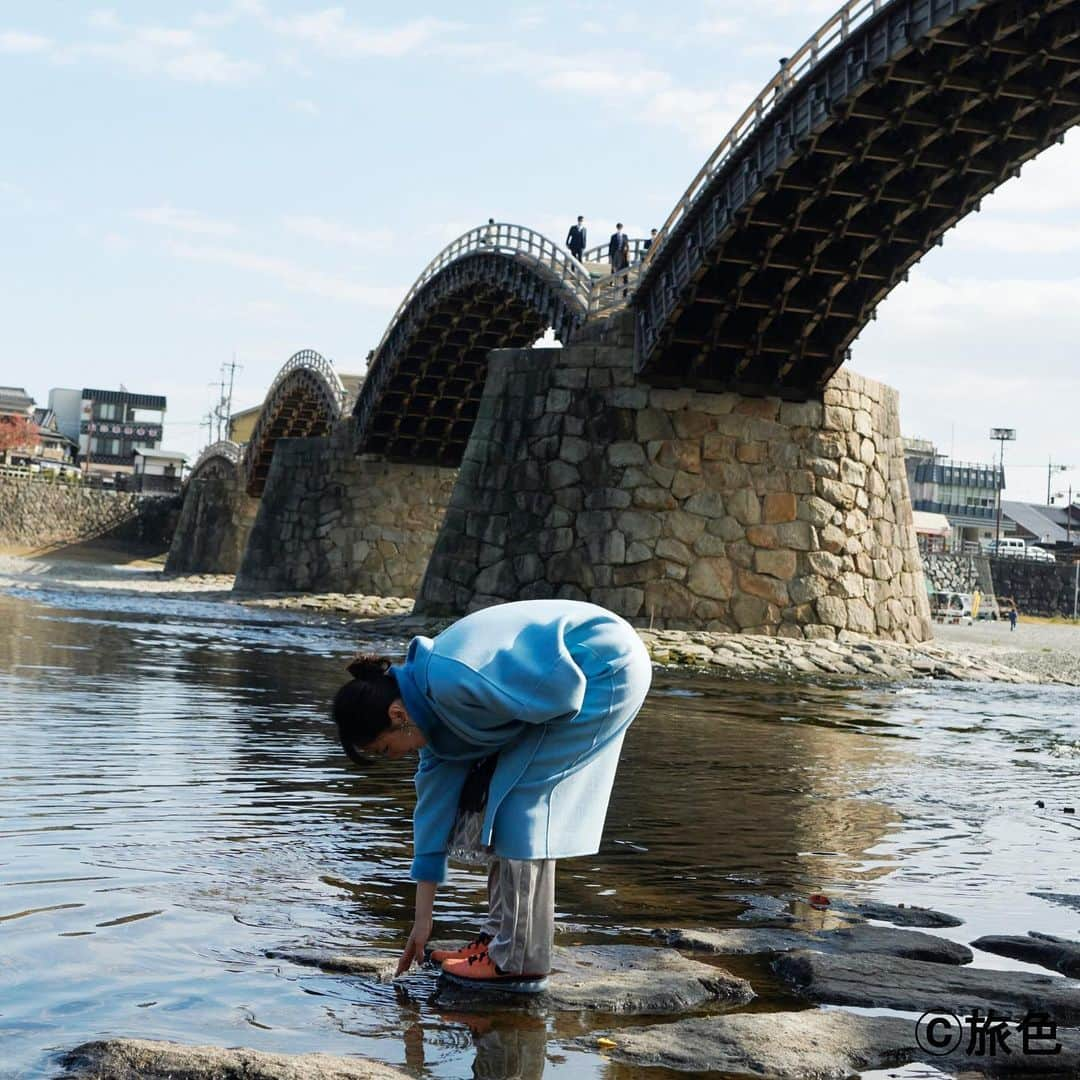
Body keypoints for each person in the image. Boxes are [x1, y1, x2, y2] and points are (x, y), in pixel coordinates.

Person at [332, 600, 652, 992]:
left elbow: (563, 691)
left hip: (603, 665)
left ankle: (517, 958)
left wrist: (503, 752)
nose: (394, 757)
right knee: (505, 798)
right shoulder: (431, 730)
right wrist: (421, 923)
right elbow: (430, 822)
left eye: (384, 749)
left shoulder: (453, 681)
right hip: (572, 676)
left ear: (398, 715)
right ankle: (500, 940)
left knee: (519, 802)